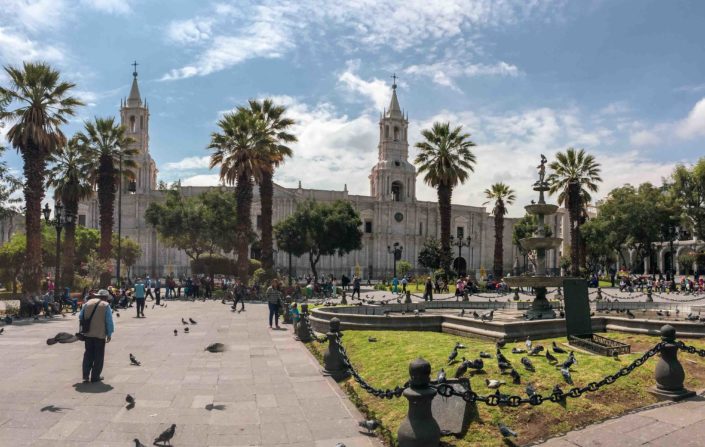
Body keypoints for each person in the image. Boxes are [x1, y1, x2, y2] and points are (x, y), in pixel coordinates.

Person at [79, 289, 114, 383]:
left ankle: (85, 376)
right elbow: (109, 322)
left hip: (88, 334)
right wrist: (109, 333)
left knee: (88, 354)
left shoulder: (88, 303)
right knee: (98, 356)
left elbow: (80, 316)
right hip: (100, 334)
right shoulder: (106, 306)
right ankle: (95, 376)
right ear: (106, 297)